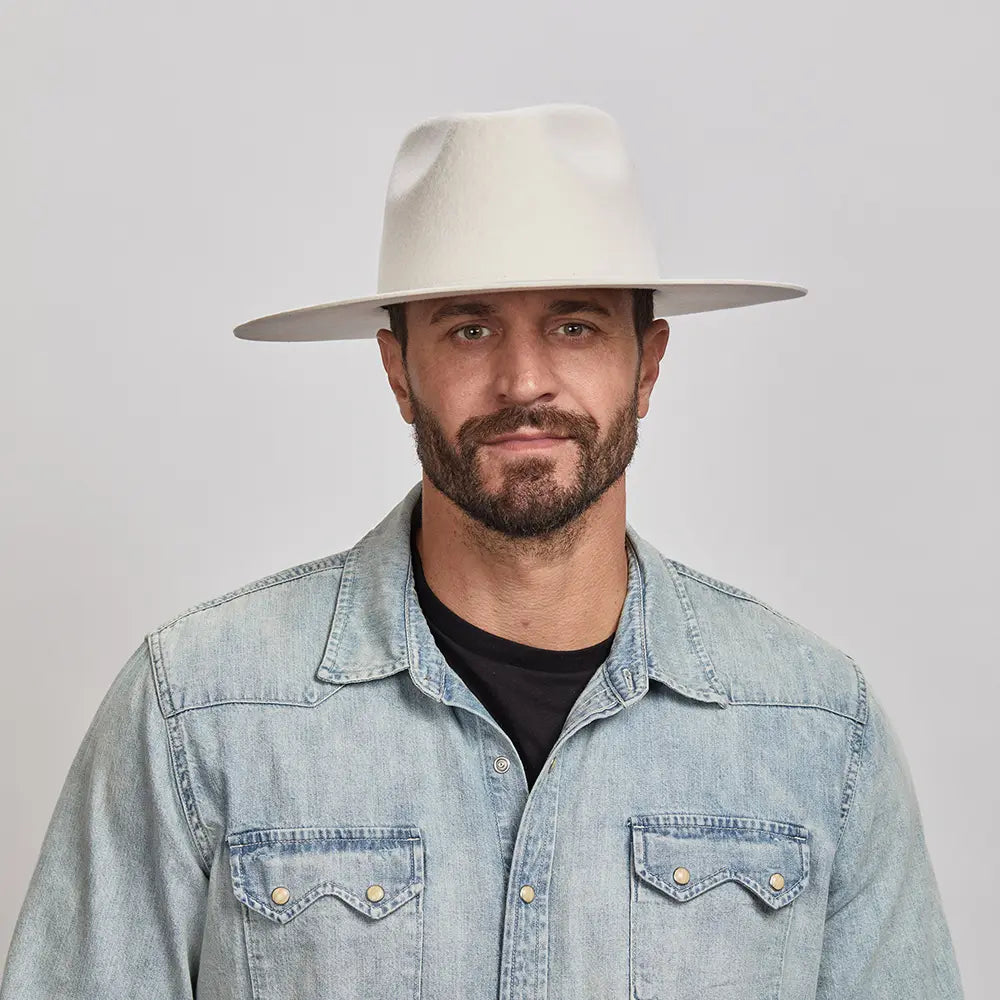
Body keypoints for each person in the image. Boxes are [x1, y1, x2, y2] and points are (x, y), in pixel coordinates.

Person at [0, 103, 963, 999]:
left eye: (575, 324)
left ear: (650, 362)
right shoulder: (200, 710)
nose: (524, 380)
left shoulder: (814, 725)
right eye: (469, 328)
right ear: (398, 371)